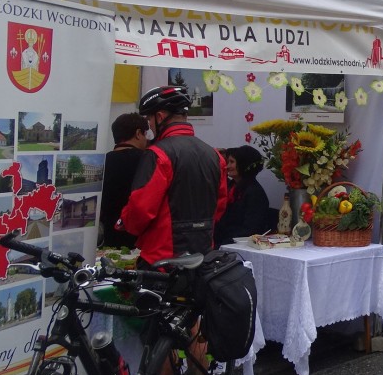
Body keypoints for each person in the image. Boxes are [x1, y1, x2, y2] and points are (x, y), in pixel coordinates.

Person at [120, 85, 228, 266]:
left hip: (162, 260)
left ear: (160, 117)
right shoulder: (214, 155)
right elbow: (219, 206)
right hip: (201, 257)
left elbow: (141, 209)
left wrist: (125, 221)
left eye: (149, 119)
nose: (150, 126)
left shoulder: (158, 154)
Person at [99, 112, 148, 248]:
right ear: (138, 134)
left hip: (110, 236)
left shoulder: (102, 162)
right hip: (141, 238)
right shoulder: (148, 160)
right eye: (145, 134)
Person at [214, 145, 274, 245]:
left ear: (243, 164)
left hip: (237, 244)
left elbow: (250, 230)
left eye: (231, 162)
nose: (227, 166)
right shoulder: (232, 186)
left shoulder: (254, 193)